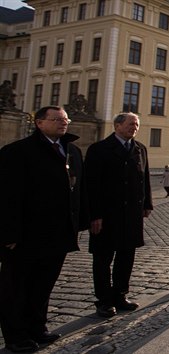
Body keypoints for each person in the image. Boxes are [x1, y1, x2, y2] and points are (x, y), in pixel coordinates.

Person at [0, 106, 87, 352]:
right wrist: (7, 233)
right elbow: (7, 196)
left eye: (65, 119)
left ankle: (37, 327)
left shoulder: (72, 151)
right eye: (57, 119)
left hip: (57, 232)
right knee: (16, 288)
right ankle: (15, 336)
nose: (63, 123)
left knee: (44, 284)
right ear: (39, 123)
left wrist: (81, 221)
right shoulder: (16, 152)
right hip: (25, 234)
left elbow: (80, 191)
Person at [84, 112, 153, 318]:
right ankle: (104, 300)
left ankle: (120, 294)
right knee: (103, 258)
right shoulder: (99, 149)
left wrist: (147, 203)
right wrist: (94, 215)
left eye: (137, 124)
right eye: (131, 124)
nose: (135, 127)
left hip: (131, 213)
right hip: (107, 214)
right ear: (117, 126)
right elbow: (91, 185)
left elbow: (145, 179)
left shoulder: (140, 149)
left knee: (126, 256)